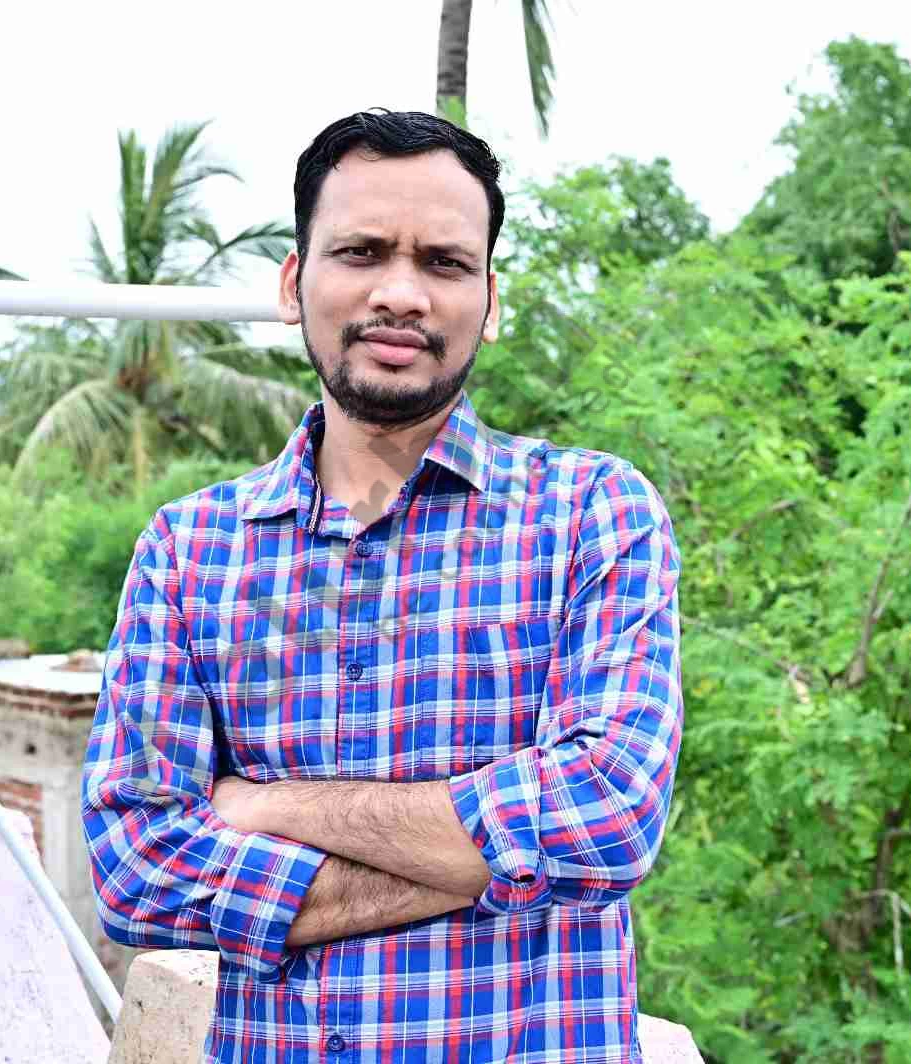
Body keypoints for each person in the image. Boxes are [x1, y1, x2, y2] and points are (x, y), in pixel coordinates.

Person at [82, 110, 683, 1063]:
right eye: (361, 252)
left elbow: (608, 816)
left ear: (490, 299)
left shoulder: (593, 513)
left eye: (445, 263)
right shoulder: (190, 551)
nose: (400, 293)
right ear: (294, 282)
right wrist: (487, 855)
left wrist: (271, 806)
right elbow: (135, 868)